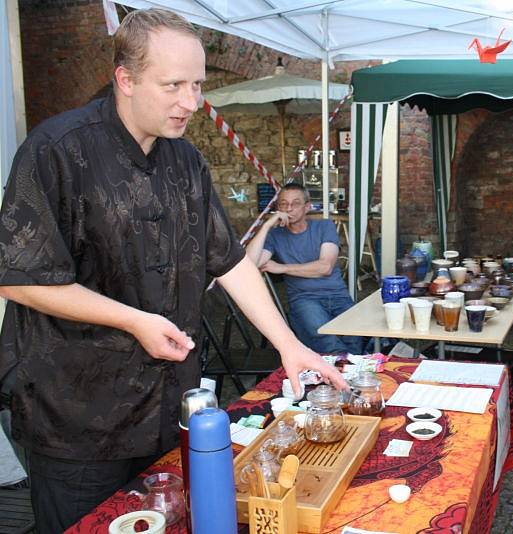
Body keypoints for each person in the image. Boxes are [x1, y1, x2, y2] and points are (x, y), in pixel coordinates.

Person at [0, 8, 346, 533]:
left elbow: (228, 261)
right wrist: (134, 320)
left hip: (165, 409)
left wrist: (288, 344)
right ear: (126, 80)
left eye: (198, 85)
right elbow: (18, 276)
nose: (191, 102)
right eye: (174, 85)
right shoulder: (56, 151)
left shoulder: (185, 160)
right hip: (75, 418)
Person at [245, 183, 364, 355]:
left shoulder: (324, 226)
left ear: (307, 207)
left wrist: (282, 268)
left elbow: (325, 267)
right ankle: (340, 370)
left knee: (355, 338)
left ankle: (350, 368)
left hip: (338, 295)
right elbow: (249, 265)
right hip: (305, 300)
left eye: (295, 203)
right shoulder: (274, 236)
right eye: (284, 204)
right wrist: (265, 226)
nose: (289, 208)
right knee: (327, 340)